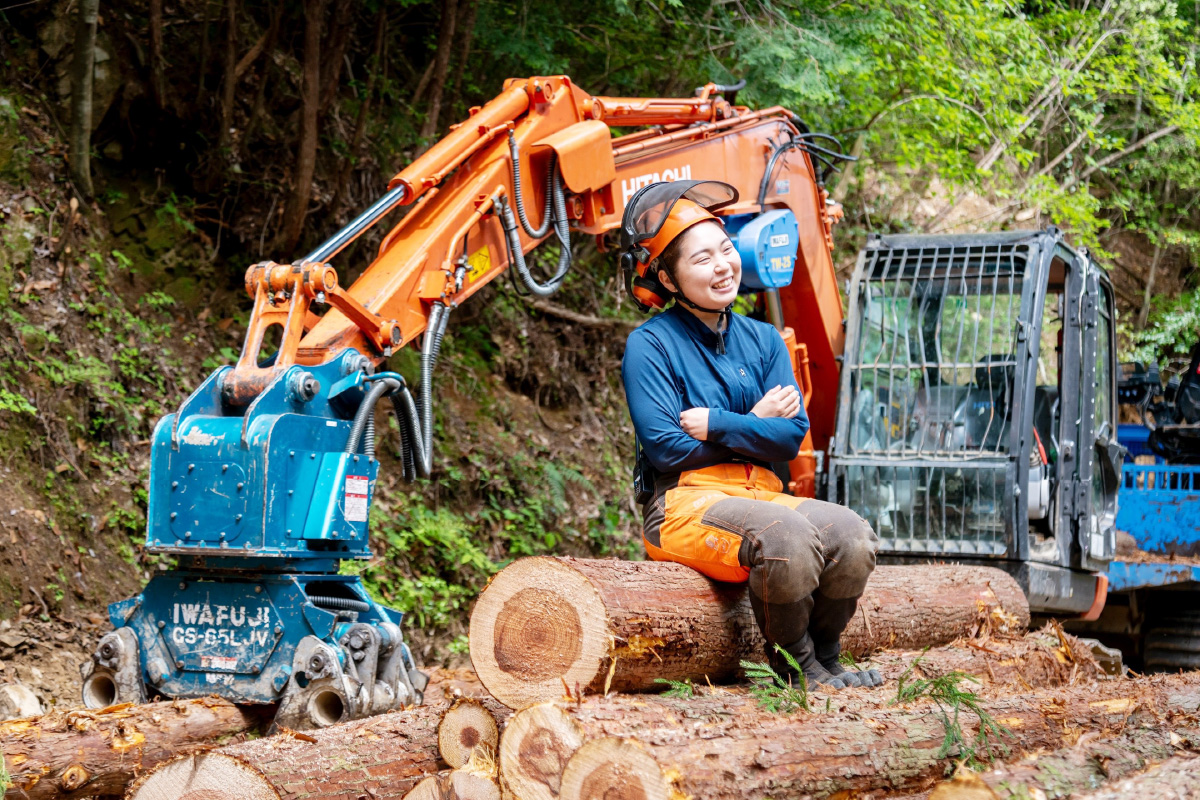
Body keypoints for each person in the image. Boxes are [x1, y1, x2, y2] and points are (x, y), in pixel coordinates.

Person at [618, 180, 882, 689]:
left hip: (761, 490)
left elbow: (789, 439)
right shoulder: (649, 345)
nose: (722, 265)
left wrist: (723, 422)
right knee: (784, 536)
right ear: (669, 281)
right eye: (701, 259)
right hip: (682, 504)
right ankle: (793, 667)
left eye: (725, 249)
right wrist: (758, 423)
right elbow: (667, 448)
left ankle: (827, 658)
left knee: (851, 535)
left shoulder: (763, 339)